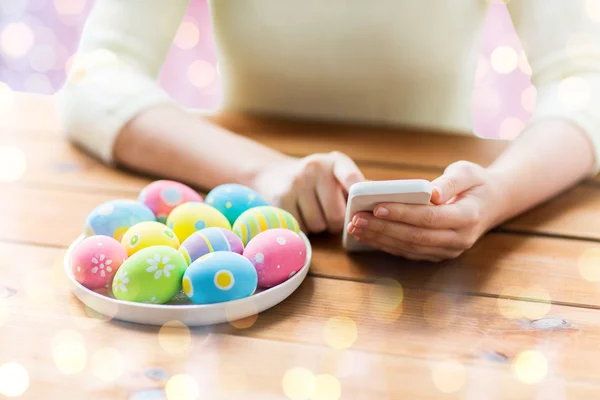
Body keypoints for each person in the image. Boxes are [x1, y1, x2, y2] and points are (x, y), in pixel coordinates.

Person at [58, 1, 600, 262]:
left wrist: (499, 193)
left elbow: (587, 79)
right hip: (251, 240)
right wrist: (262, 171)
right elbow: (95, 77)